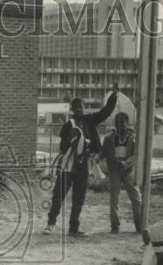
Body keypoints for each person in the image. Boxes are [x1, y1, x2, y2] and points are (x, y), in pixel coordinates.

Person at [44, 91, 117, 237]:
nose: (80, 110)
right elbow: (63, 147)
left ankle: (73, 228)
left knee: (79, 197)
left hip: (83, 165)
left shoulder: (89, 120)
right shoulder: (67, 126)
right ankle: (50, 224)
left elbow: (105, 112)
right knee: (59, 194)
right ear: (72, 109)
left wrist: (113, 96)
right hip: (69, 164)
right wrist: (73, 144)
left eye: (81, 107)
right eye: (77, 108)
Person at [102, 111, 142, 234]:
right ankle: (115, 227)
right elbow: (104, 152)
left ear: (127, 123)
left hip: (129, 171)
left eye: (122, 123)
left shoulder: (134, 138)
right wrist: (97, 158)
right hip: (114, 170)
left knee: (136, 199)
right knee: (114, 199)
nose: (120, 126)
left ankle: (139, 226)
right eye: (117, 123)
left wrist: (126, 163)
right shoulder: (109, 138)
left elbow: (136, 155)